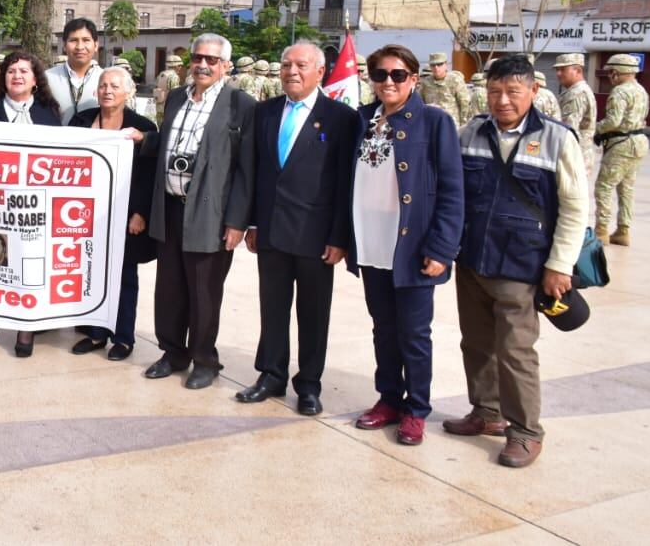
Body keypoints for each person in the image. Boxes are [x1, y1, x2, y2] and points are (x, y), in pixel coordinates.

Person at [446, 54, 587, 468]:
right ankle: (486, 412)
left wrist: (559, 265)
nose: (502, 100)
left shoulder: (558, 139)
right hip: (472, 259)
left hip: (522, 266)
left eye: (512, 91)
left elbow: (576, 208)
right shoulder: (470, 132)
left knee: (515, 350)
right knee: (475, 342)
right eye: (494, 91)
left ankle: (525, 431)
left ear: (533, 91)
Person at [347, 45, 463, 446]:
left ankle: (416, 409)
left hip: (412, 247)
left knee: (414, 334)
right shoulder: (362, 119)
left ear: (414, 79)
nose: (389, 82)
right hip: (371, 243)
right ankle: (388, 400)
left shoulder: (434, 121)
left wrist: (442, 248)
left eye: (398, 75)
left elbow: (452, 190)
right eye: (380, 75)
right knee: (384, 330)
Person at [237, 41, 357, 415]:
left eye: (301, 65)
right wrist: (253, 222)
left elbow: (344, 183)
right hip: (271, 230)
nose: (291, 71)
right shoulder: (265, 112)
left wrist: (339, 237)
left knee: (313, 312)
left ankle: (308, 384)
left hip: (316, 235)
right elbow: (256, 172)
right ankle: (270, 375)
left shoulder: (340, 117)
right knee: (272, 308)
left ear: (320, 72)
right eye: (286, 64)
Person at [144, 33, 256, 390]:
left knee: (204, 292)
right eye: (197, 58)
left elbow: (246, 169)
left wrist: (238, 221)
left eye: (211, 60)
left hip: (211, 213)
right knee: (170, 287)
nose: (203, 65)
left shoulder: (240, 104)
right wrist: (140, 140)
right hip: (171, 207)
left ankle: (205, 360)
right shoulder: (177, 97)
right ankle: (173, 352)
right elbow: (165, 144)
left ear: (225, 65)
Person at [0, 50, 62, 357]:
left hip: (34, 206)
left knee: (30, 262)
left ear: (35, 80)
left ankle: (26, 326)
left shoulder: (50, 113)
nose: (17, 76)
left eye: (24, 71)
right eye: (11, 71)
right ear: (3, 77)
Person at [69, 66, 159, 361]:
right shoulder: (80, 121)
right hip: (84, 215)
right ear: (96, 91)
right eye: (103, 85)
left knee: (124, 277)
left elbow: (148, 176)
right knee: (90, 274)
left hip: (125, 214)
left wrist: (140, 213)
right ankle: (96, 334)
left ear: (129, 93)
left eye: (115, 86)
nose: (108, 91)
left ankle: (123, 338)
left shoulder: (143, 126)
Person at [593, 53, 649, 246]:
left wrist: (597, 128)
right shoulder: (641, 90)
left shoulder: (619, 92)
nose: (610, 75)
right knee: (627, 188)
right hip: (639, 141)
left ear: (618, 72)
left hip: (621, 143)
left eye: (611, 71)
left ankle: (601, 230)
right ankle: (623, 230)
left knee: (604, 187)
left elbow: (613, 121)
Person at [45, 17, 101, 124]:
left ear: (96, 45)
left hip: (94, 140)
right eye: (73, 40)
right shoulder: (47, 78)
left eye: (86, 40)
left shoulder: (105, 80)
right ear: (65, 46)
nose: (80, 47)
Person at [554, 53, 597, 176]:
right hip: (577, 155)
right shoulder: (576, 91)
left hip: (572, 157)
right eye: (557, 70)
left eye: (563, 69)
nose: (558, 74)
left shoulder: (576, 94)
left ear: (577, 70)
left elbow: (568, 130)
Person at [419, 51, 470, 125]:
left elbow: (464, 104)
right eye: (433, 65)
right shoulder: (425, 83)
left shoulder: (455, 80)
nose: (436, 68)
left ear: (446, 65)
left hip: (451, 124)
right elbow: (420, 104)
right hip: (431, 124)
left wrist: (464, 124)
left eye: (439, 64)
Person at [155, 55, 185, 120]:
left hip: (159, 107)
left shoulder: (161, 74)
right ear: (176, 66)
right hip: (168, 108)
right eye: (180, 65)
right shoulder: (174, 76)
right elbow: (175, 94)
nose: (180, 68)